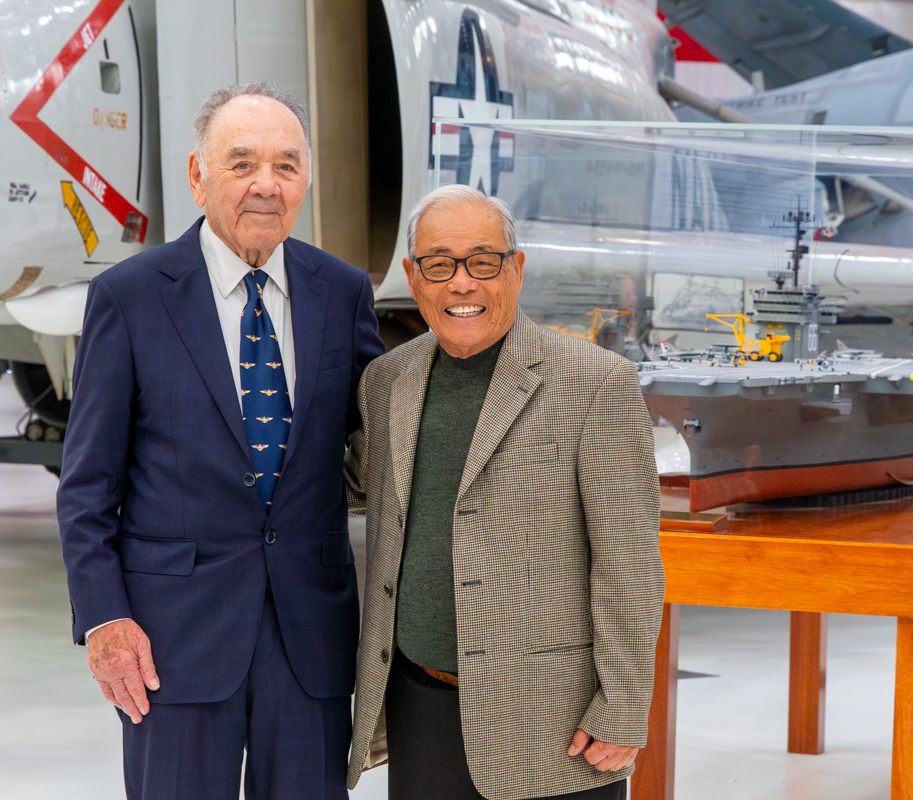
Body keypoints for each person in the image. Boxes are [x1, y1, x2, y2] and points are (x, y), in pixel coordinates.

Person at [57, 81, 383, 800]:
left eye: (286, 165)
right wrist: (105, 618)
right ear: (197, 176)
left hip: (311, 637)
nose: (266, 184)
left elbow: (383, 438)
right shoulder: (130, 296)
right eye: (241, 163)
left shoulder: (344, 292)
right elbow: (85, 487)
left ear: (305, 181)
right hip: (171, 640)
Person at [345, 184, 665, 800]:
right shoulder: (386, 382)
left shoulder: (596, 384)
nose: (460, 284)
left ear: (516, 269)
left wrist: (625, 706)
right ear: (413, 278)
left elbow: (628, 563)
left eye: (482, 262)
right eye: (438, 264)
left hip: (552, 721)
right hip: (420, 705)